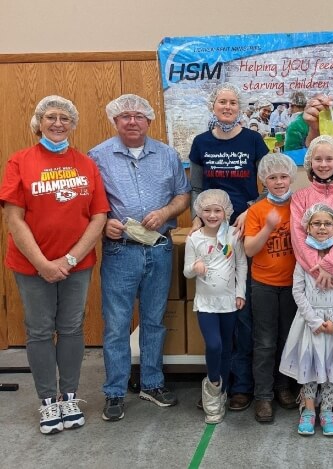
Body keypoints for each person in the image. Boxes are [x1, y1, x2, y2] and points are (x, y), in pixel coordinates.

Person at [0, 96, 109, 434]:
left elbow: (99, 215)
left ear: (73, 124)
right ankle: (48, 402)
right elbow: (13, 219)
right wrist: (43, 263)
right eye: (51, 117)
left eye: (64, 117)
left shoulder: (86, 164)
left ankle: (70, 397)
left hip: (77, 265)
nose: (58, 123)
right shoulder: (20, 162)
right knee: (40, 330)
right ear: (39, 123)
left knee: (73, 328)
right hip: (31, 265)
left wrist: (70, 258)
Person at [88, 94, 190, 422]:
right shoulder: (98, 157)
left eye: (138, 116)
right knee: (117, 325)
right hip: (120, 253)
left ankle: (152, 382)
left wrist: (165, 212)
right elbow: (87, 204)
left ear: (149, 121)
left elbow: (183, 195)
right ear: (115, 121)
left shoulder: (168, 155)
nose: (132, 121)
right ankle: (115, 391)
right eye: (125, 116)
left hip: (158, 250)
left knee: (153, 321)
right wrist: (105, 223)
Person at [189, 82, 269, 412]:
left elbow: (269, 183)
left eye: (233, 102)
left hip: (243, 229)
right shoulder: (201, 142)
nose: (227, 107)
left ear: (240, 108)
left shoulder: (253, 140)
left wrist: (252, 209)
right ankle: (218, 382)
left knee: (242, 311)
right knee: (217, 306)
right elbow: (195, 185)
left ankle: (242, 385)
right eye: (221, 101)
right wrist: (198, 218)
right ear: (213, 106)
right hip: (211, 229)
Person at [290, 135, 333, 420]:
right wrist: (315, 268)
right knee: (313, 343)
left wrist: (330, 266)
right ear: (309, 163)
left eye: (329, 158)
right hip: (310, 279)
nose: (323, 163)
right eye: (317, 159)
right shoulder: (300, 197)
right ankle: (310, 396)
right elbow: (298, 235)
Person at [280, 203, 333, 437]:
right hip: (311, 323)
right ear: (307, 228)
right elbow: (298, 291)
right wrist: (314, 320)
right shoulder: (304, 260)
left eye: (328, 223)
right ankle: (309, 410)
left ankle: (327, 410)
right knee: (310, 366)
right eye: (316, 223)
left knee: (331, 366)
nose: (322, 227)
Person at [184, 189, 247, 424]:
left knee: (227, 349)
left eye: (217, 210)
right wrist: (195, 269)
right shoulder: (195, 239)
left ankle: (223, 394)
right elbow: (186, 271)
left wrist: (240, 293)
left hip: (229, 303)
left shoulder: (234, 235)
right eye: (207, 210)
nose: (212, 215)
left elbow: (241, 264)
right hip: (206, 304)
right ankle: (212, 386)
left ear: (226, 212)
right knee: (214, 344)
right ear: (199, 212)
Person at [244, 153, 299, 423]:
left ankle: (283, 388)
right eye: (272, 177)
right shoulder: (256, 210)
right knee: (264, 342)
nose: (278, 181)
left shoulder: (299, 205)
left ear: (291, 177)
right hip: (264, 285)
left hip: (293, 286)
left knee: (288, 339)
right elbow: (250, 248)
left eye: (283, 176)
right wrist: (267, 228)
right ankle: (263, 396)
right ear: (263, 180)